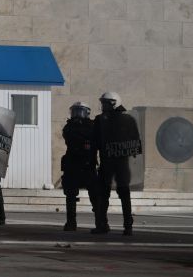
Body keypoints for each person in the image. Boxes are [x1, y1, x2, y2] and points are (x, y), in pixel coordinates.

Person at [94, 91, 142, 236]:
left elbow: (134, 142)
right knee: (107, 194)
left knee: (119, 193)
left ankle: (122, 225)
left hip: (117, 162)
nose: (103, 106)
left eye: (106, 103)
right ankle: (108, 224)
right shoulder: (125, 120)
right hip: (113, 162)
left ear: (114, 103)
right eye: (103, 103)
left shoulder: (107, 120)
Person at [61, 101, 106, 233]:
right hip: (73, 165)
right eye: (75, 111)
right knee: (70, 195)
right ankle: (71, 223)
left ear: (87, 113)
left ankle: (100, 223)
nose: (77, 114)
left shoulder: (91, 126)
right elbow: (68, 137)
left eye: (80, 111)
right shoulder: (69, 127)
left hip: (87, 164)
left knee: (95, 196)